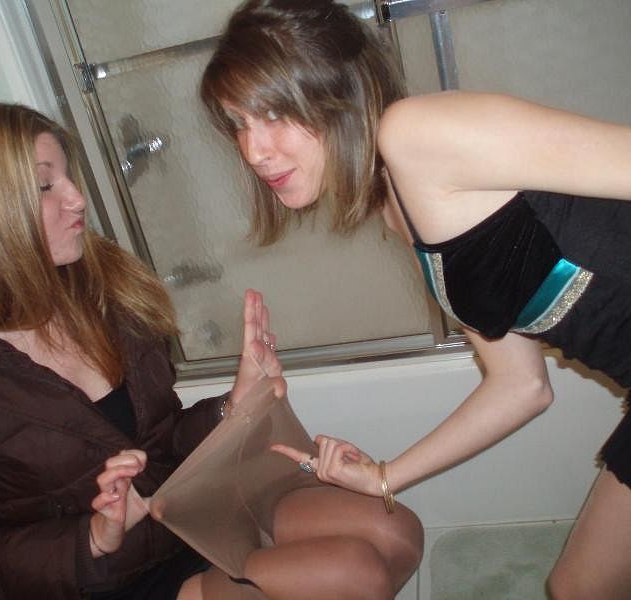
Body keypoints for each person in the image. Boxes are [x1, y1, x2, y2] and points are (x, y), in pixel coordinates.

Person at [0, 102, 422, 600]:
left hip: (187, 515)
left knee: (397, 531)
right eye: (45, 185)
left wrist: (235, 403)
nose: (76, 198)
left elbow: (160, 440)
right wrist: (91, 539)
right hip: (110, 579)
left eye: (68, 176)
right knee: (354, 575)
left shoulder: (104, 297)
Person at [200, 0, 631, 598]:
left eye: (273, 113)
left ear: (339, 92)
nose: (253, 150)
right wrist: (383, 477)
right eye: (239, 123)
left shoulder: (416, 133)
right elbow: (520, 386)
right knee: (578, 589)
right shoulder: (398, 205)